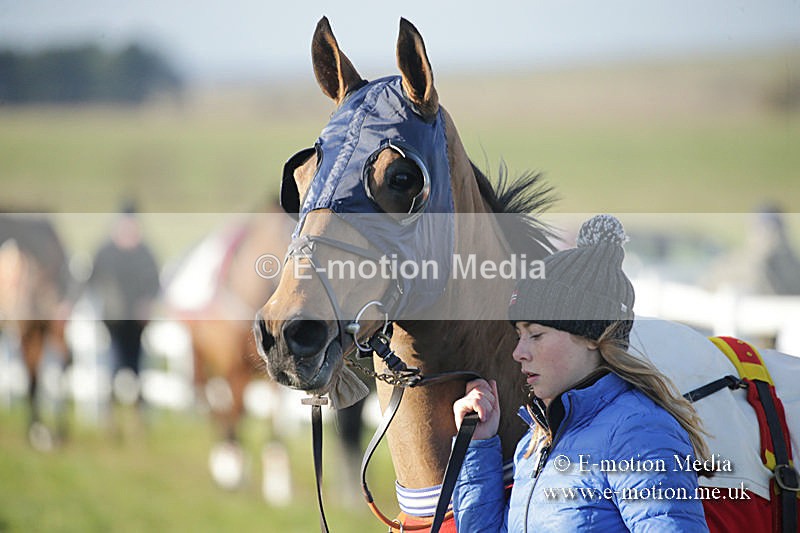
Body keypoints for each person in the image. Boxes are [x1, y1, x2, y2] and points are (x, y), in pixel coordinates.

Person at [452, 214, 710, 532]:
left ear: (591, 336)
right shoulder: (534, 442)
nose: (519, 352)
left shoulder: (639, 433)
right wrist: (478, 444)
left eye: (535, 334)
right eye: (519, 335)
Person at [88, 201, 160, 406]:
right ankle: (109, 409)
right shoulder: (106, 252)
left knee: (137, 366)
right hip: (113, 323)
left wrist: (147, 303)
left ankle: (137, 412)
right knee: (111, 364)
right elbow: (93, 280)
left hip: (136, 323)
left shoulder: (144, 253)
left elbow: (153, 283)